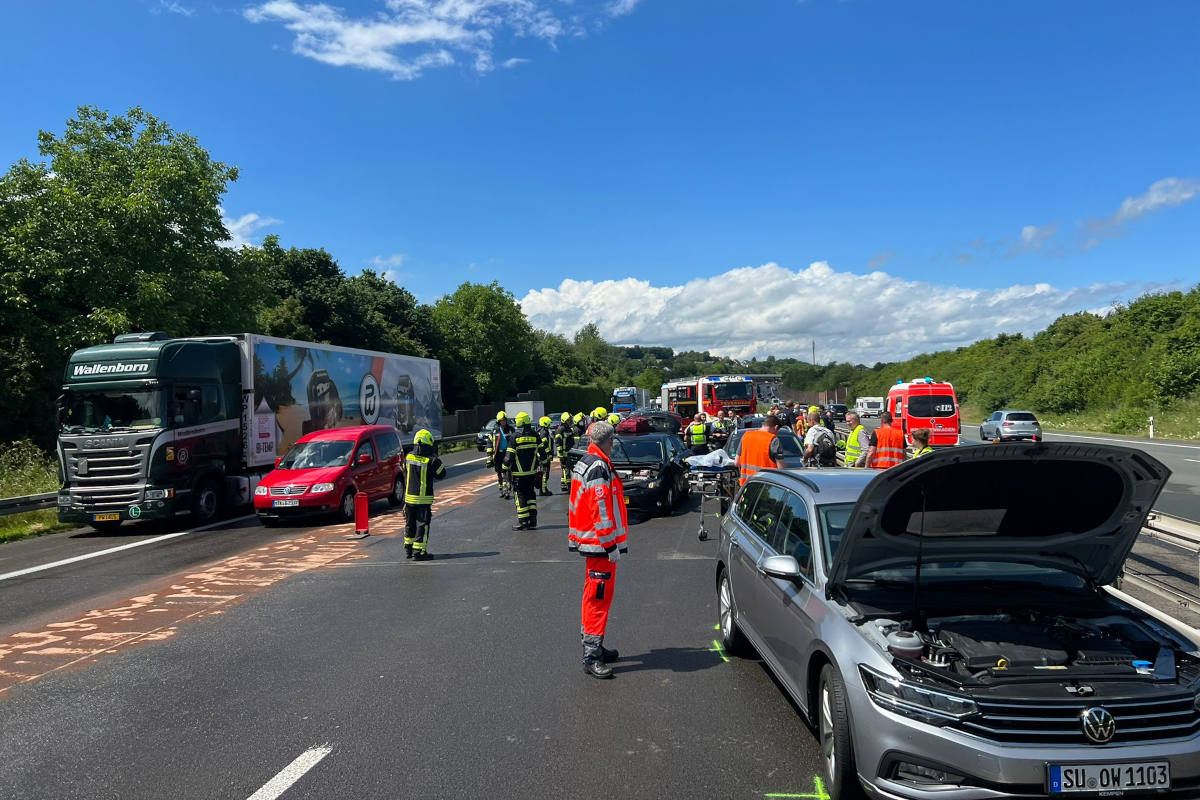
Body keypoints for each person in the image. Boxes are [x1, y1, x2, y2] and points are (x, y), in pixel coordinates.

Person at [567, 420, 628, 679]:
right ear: (608, 441)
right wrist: (609, 543)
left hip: (592, 541)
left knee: (593, 595)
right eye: (613, 440)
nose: (614, 444)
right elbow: (600, 508)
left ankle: (594, 645)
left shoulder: (588, 460)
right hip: (599, 544)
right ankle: (591, 655)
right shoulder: (598, 466)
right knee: (598, 598)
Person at [403, 429, 447, 560]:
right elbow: (442, 474)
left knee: (410, 523)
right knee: (422, 524)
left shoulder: (408, 457)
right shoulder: (431, 461)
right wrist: (436, 458)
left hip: (409, 499)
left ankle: (408, 549)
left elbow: (406, 471)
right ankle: (420, 552)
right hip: (423, 500)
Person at [505, 412, 543, 530]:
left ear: (519, 422)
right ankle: (533, 521)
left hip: (518, 474)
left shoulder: (514, 436)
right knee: (531, 495)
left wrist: (504, 468)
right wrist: (545, 464)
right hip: (531, 473)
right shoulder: (535, 435)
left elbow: (509, 457)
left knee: (520, 496)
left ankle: (523, 522)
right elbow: (542, 452)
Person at [736, 413, 785, 485]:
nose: (776, 434)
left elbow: (737, 462)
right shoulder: (773, 440)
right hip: (765, 487)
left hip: (746, 485)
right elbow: (782, 469)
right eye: (777, 431)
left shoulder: (746, 436)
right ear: (776, 427)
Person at [485, 411, 513, 498]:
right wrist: (489, 454)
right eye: (502, 420)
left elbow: (514, 440)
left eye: (505, 420)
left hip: (507, 453)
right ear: (498, 421)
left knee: (507, 472)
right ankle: (501, 489)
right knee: (499, 473)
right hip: (498, 455)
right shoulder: (494, 431)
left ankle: (507, 489)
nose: (503, 422)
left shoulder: (511, 429)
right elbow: (489, 442)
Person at [554, 412, 576, 492]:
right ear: (564, 420)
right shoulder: (560, 430)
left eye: (570, 420)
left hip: (569, 453)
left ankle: (563, 485)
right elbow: (558, 443)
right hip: (563, 453)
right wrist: (560, 455)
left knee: (565, 469)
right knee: (566, 470)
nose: (570, 422)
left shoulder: (569, 429)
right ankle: (569, 487)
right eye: (568, 420)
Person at [536, 416, 555, 496]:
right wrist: (549, 452)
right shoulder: (544, 432)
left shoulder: (542, 431)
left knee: (544, 472)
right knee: (545, 473)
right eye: (549, 424)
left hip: (542, 455)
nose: (550, 425)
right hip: (544, 456)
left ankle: (543, 488)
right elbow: (544, 444)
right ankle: (543, 490)